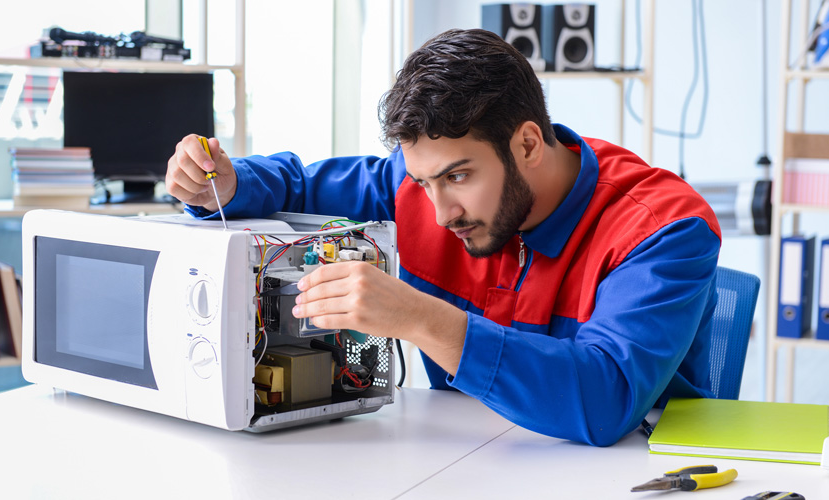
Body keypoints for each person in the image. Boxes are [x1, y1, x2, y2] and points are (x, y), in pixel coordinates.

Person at [165, 28, 721, 446]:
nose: (438, 213)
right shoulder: (419, 188)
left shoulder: (664, 230)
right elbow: (301, 187)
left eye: (458, 176)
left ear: (528, 144)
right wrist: (228, 183)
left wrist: (420, 319)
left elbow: (605, 400)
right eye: (422, 180)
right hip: (466, 462)